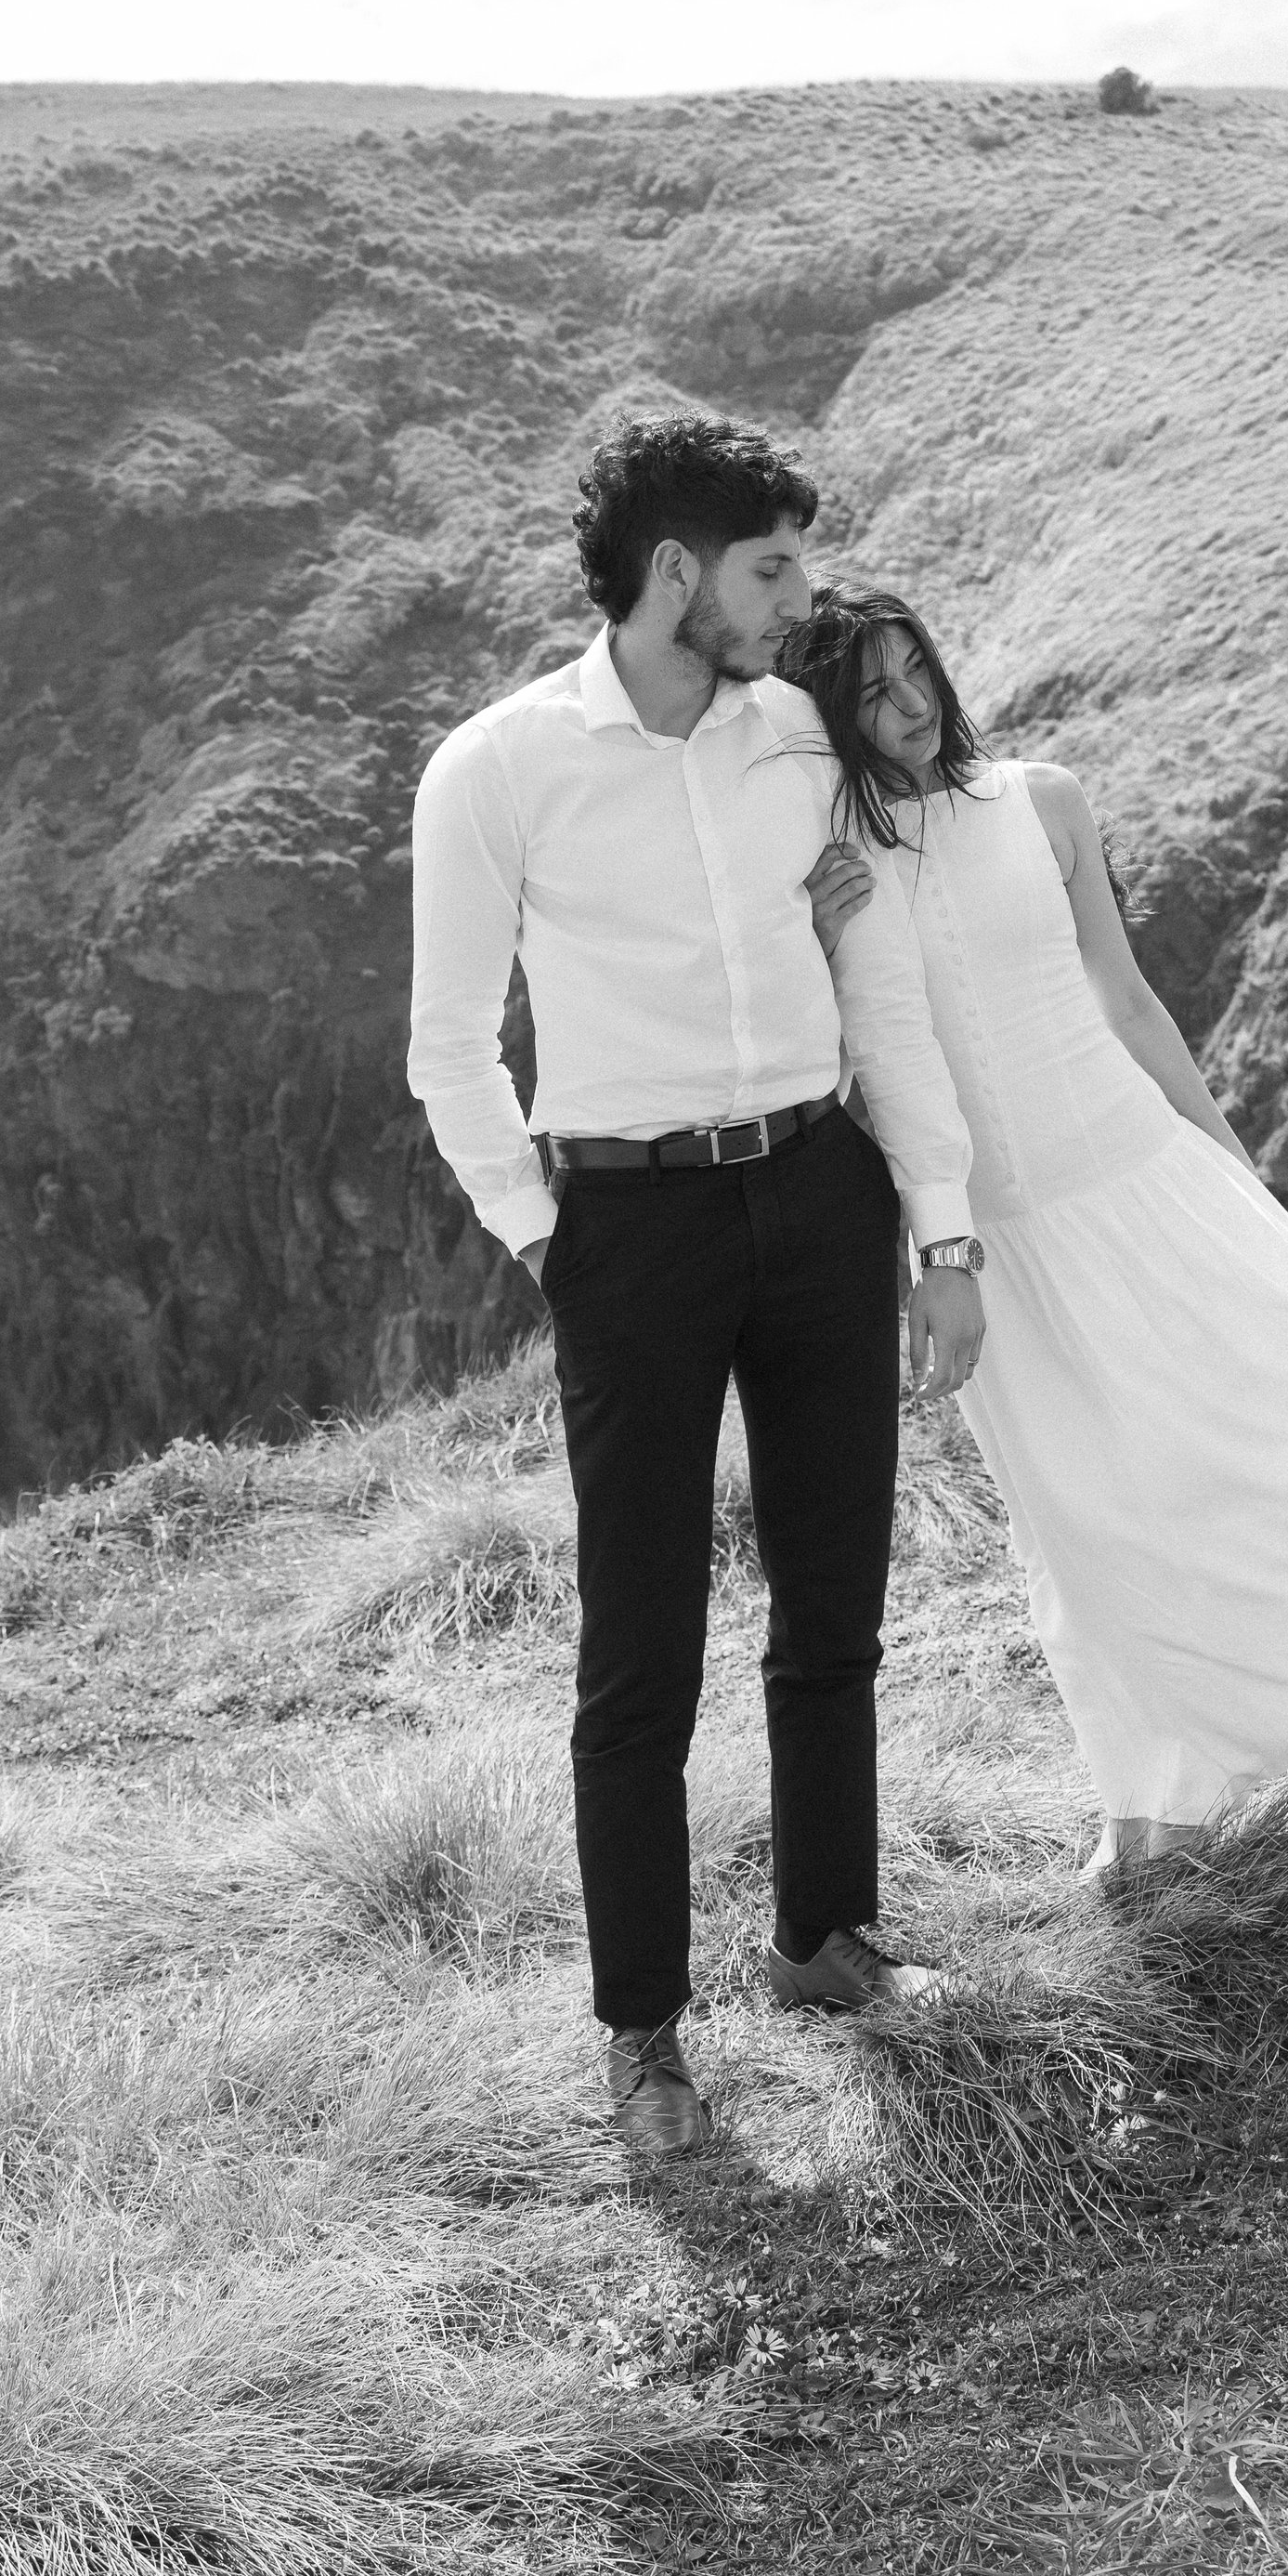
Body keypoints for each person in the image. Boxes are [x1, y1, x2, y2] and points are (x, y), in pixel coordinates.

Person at [407, 422, 985, 2159]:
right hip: (630, 1230)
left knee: (835, 1601)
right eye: (771, 573)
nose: (799, 604)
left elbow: (875, 977)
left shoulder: (796, 734)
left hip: (820, 1189)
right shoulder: (500, 767)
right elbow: (446, 1049)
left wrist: (936, 1224)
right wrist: (548, 1235)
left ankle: (825, 1934)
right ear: (678, 575)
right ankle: (643, 2029)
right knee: (638, 1646)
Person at [784, 586, 1288, 1869]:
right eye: (872, 694)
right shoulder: (834, 863)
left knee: (1242, 1441)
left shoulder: (1045, 798)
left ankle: (1222, 1760)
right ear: (832, 718)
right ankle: (1144, 1802)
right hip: (998, 1243)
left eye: (918, 676)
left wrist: (1232, 1169)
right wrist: (930, 1242)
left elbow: (1128, 1002)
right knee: (1081, 1525)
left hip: (1137, 1174)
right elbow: (858, 1073)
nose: (910, 709)